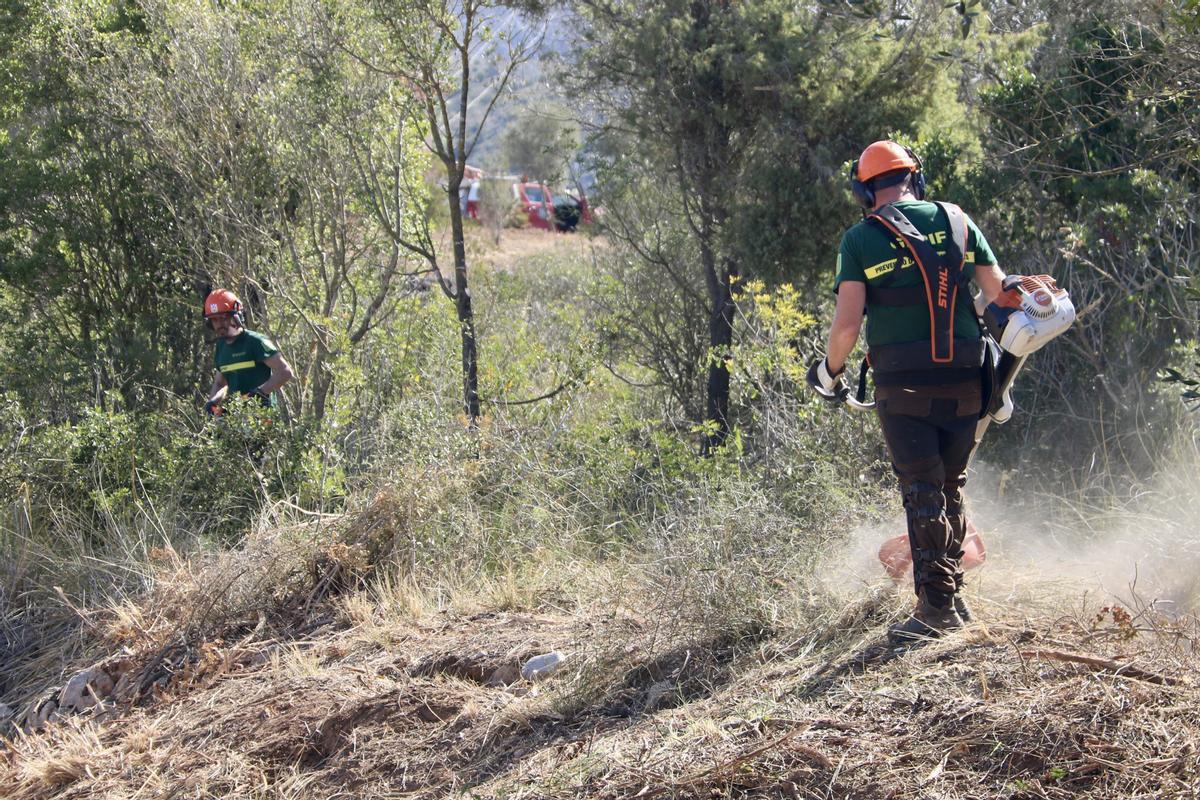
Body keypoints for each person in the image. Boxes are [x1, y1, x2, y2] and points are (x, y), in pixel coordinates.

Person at [807, 141, 1009, 644]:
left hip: (903, 382)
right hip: (969, 376)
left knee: (921, 488)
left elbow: (847, 326)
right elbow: (1000, 295)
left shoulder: (860, 239)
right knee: (949, 486)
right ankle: (952, 600)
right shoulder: (960, 223)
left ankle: (935, 608)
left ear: (864, 190)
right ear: (915, 179)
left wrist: (828, 373)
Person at [202, 289, 294, 415]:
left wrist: (259, 393)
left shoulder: (256, 342)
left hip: (263, 418)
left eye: (223, 318)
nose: (219, 324)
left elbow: (285, 372)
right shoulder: (221, 347)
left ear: (236, 316)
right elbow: (220, 383)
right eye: (214, 320)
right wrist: (212, 404)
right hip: (237, 419)